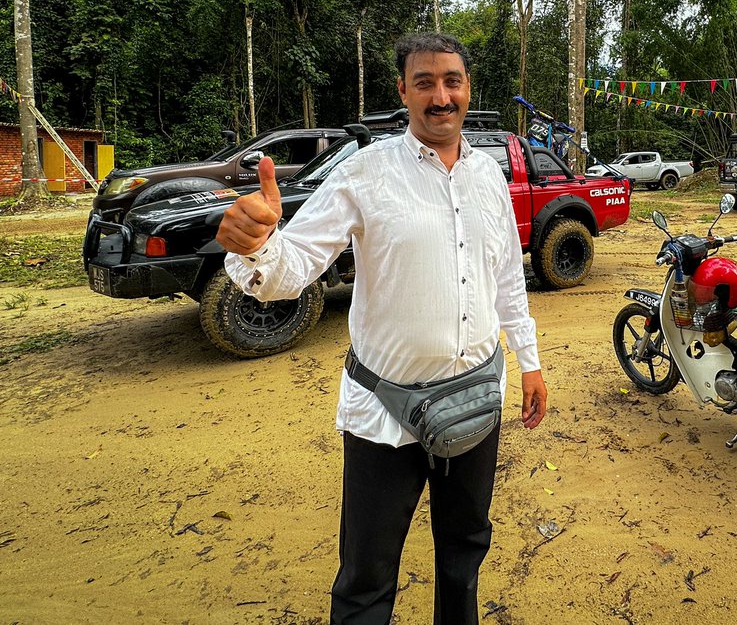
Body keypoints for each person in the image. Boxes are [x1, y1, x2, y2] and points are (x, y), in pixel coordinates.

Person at [217, 32, 548, 624]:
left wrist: (529, 360)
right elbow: (294, 268)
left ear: (468, 89)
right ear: (403, 92)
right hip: (385, 414)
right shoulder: (366, 173)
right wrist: (259, 246)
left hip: (474, 401)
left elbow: (505, 280)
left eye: (452, 82)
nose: (441, 96)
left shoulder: (490, 179)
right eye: (425, 83)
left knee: (464, 553)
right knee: (367, 577)